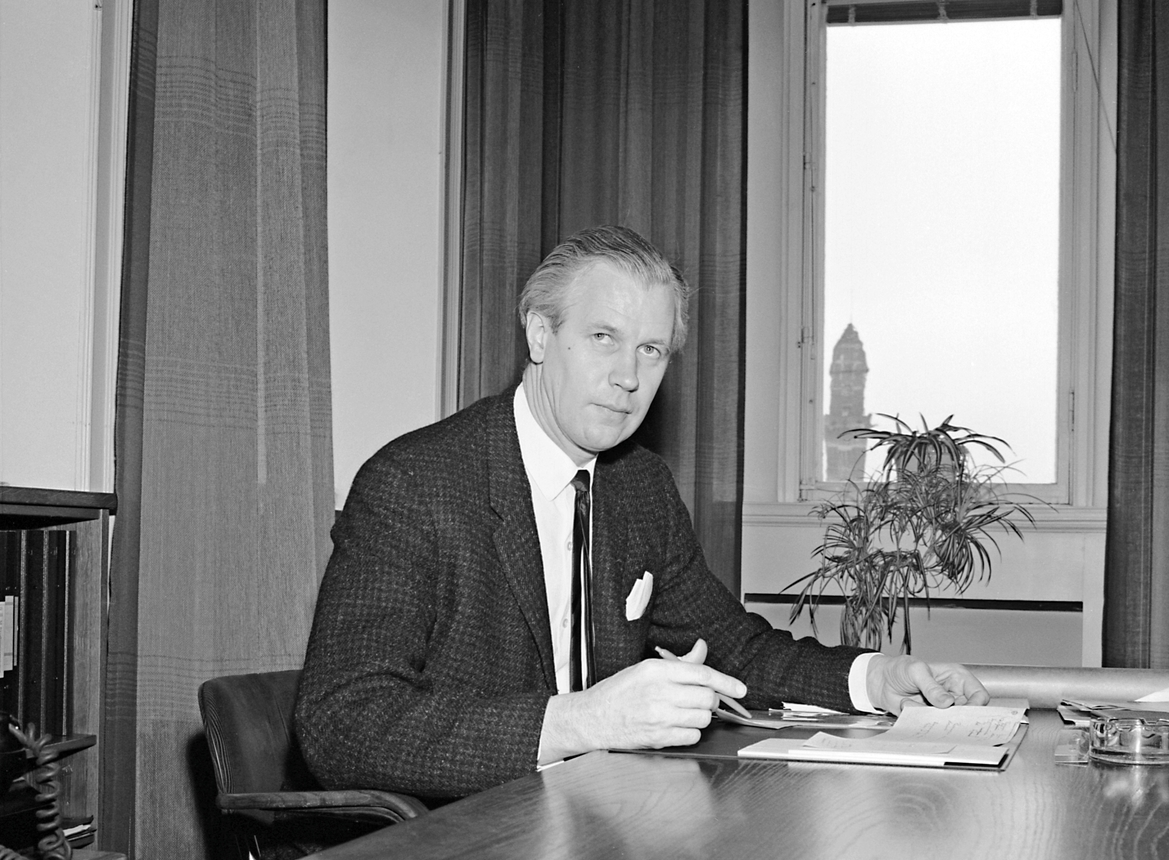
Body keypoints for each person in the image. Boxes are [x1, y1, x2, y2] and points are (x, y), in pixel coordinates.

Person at [296, 225, 987, 800]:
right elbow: (341, 723)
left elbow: (735, 647)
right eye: (604, 337)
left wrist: (874, 678)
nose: (629, 376)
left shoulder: (639, 486)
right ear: (539, 335)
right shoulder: (413, 484)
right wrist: (583, 721)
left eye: (650, 350)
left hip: (595, 826)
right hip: (443, 850)